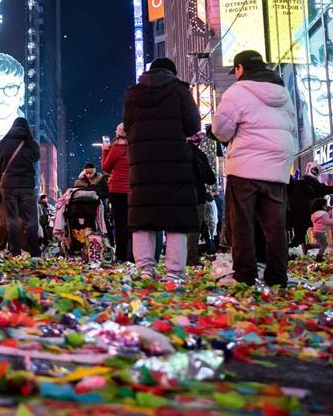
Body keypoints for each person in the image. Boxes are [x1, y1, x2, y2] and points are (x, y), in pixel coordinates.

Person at [211, 50, 297, 288]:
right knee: (275, 226)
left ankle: (245, 275)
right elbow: (290, 123)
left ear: (240, 68)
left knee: (242, 224)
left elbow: (222, 130)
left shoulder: (237, 92)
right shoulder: (283, 93)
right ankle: (277, 277)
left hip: (245, 167)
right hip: (278, 166)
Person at [123, 57, 202, 281]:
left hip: (142, 163)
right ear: (172, 73)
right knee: (176, 217)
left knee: (143, 216)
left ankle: (145, 270)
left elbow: (128, 126)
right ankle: (174, 272)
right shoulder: (179, 91)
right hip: (174, 161)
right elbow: (193, 125)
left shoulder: (133, 94)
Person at [0, 117, 42, 256]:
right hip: (27, 187)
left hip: (8, 187)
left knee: (11, 219)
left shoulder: (4, 142)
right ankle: (35, 253)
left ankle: (15, 252)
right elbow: (36, 157)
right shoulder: (32, 143)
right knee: (30, 220)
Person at [288, 163, 333, 256]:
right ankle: (297, 252)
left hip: (294, 215)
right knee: (302, 236)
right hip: (308, 215)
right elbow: (329, 189)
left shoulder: (297, 183)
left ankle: (297, 252)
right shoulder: (318, 187)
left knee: (299, 235)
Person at [102, 123, 132, 262]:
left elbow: (106, 167)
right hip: (132, 190)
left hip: (117, 191)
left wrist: (105, 150)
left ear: (119, 132)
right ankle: (133, 255)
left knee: (120, 225)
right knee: (132, 224)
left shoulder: (116, 148)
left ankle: (121, 256)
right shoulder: (134, 147)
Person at [187, 138, 218, 266]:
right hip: (197, 196)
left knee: (178, 228)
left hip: (177, 196)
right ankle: (191, 258)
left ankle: (175, 258)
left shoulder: (175, 154)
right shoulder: (200, 155)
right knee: (194, 228)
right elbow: (210, 179)